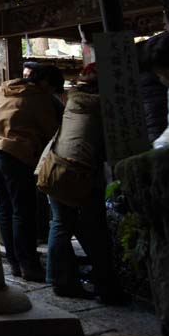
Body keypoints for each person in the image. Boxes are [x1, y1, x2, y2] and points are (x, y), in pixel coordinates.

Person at [43, 64, 125, 302]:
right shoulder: (102, 107)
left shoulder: (72, 103)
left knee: (61, 223)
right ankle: (105, 284)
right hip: (78, 172)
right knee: (93, 227)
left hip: (54, 166)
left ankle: (60, 280)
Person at [0, 63, 62, 282]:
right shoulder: (38, 97)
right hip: (16, 155)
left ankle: (15, 263)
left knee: (5, 209)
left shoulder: (1, 90)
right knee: (23, 211)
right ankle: (29, 264)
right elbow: (52, 130)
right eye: (53, 88)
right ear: (46, 82)